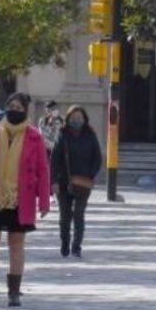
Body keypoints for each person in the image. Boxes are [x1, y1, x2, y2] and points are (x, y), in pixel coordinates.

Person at [0, 92, 50, 306]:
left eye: (19, 107)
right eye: (11, 106)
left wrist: (44, 201)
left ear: (25, 111)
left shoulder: (34, 136)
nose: (14, 110)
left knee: (16, 243)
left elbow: (43, 168)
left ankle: (14, 292)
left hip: (20, 197)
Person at [50, 105, 102, 258]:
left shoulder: (90, 135)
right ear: (68, 119)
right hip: (64, 181)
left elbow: (97, 158)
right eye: (73, 117)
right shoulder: (62, 134)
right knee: (65, 216)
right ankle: (65, 244)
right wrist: (54, 181)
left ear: (84, 119)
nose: (76, 120)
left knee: (79, 214)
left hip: (83, 182)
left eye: (79, 117)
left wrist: (90, 175)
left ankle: (76, 246)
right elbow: (54, 160)